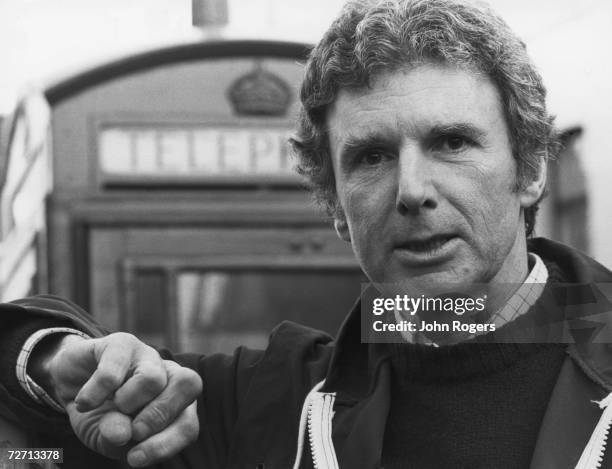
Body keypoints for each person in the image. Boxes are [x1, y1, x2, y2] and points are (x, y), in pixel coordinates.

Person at [1, 0, 612, 467]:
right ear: (337, 207)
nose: (412, 189)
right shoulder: (263, 406)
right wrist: (53, 360)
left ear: (530, 171)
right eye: (371, 156)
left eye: (452, 142)